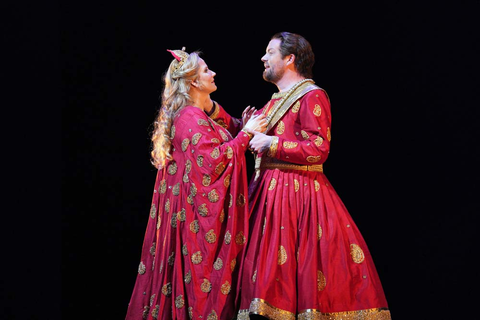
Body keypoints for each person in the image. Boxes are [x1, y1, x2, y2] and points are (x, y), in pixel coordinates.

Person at [237, 32, 392, 319]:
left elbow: (319, 147)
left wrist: (271, 143)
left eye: (270, 52)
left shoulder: (312, 95)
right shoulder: (272, 102)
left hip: (298, 194)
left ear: (289, 58)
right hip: (268, 193)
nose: (263, 58)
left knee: (299, 271)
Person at [125, 48, 267, 320]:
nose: (212, 73)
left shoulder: (197, 114)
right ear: (193, 82)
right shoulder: (190, 118)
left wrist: (243, 128)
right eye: (205, 70)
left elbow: (225, 129)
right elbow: (213, 160)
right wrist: (247, 134)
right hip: (194, 223)